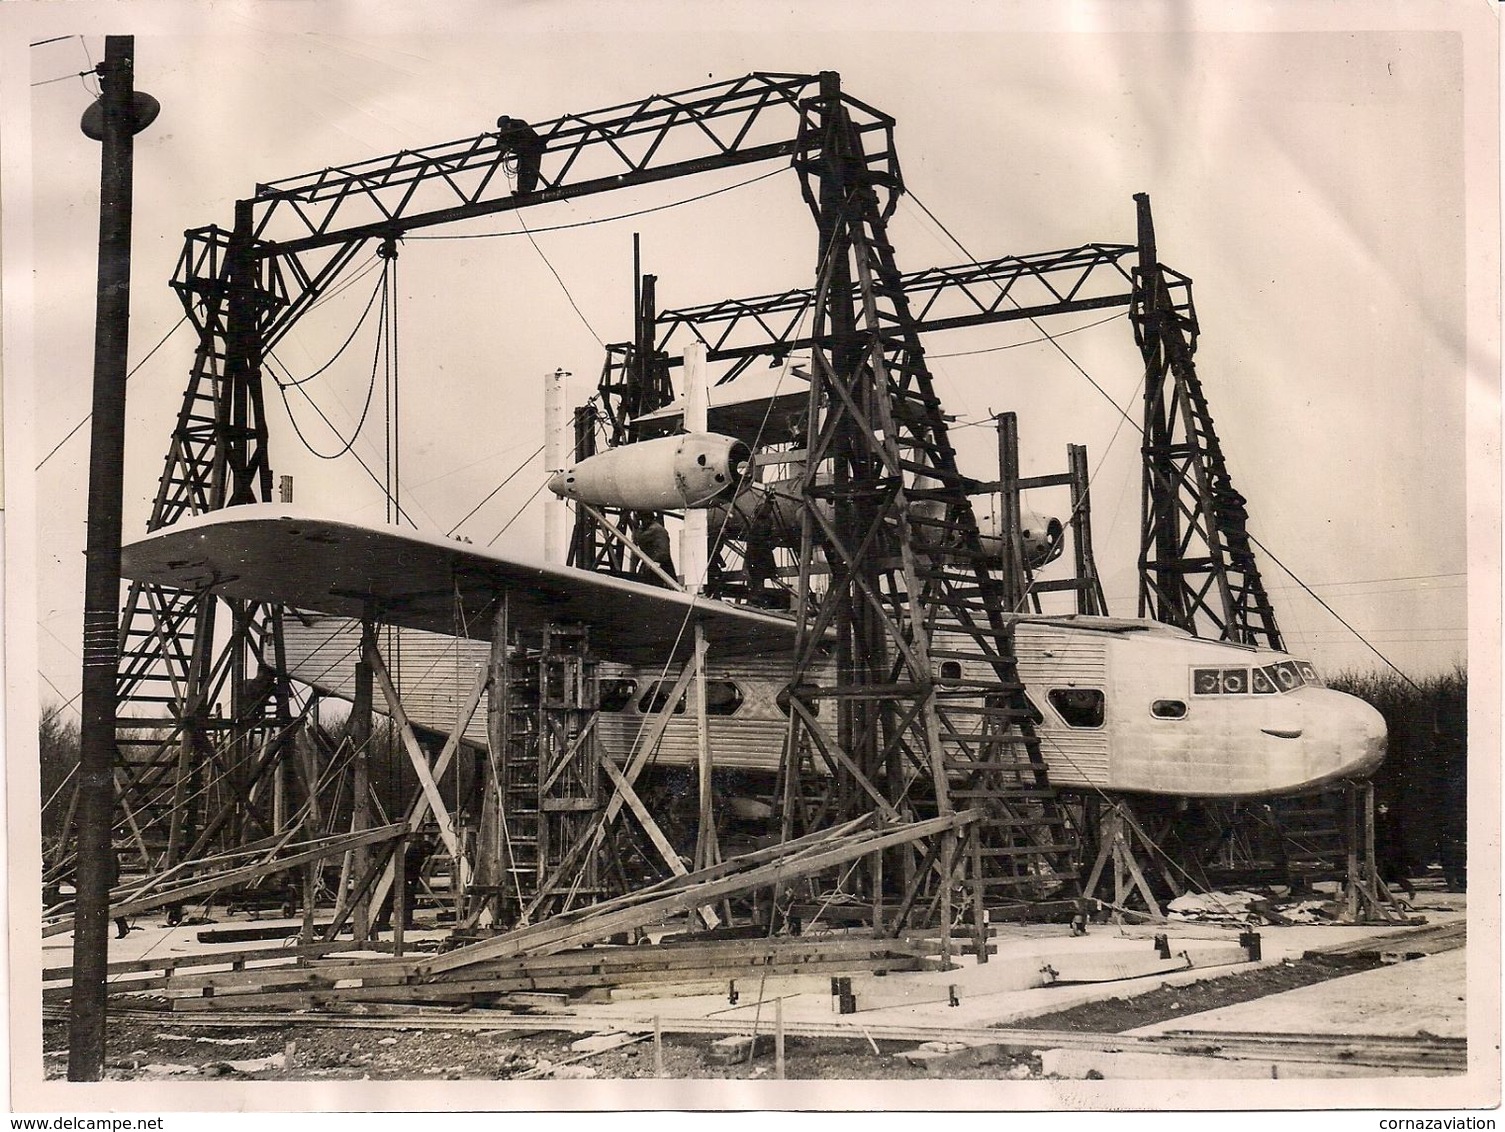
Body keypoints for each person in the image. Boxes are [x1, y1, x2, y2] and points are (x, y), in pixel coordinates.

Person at [495, 116, 544, 195]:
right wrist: (502, 145)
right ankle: (522, 189)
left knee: (531, 168)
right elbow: (500, 141)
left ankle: (527, 189)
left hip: (534, 148)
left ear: (509, 123)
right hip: (523, 151)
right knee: (521, 168)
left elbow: (529, 138)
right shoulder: (506, 128)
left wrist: (515, 145)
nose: (504, 129)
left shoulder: (519, 124)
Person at [633, 512, 676, 586]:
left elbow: (663, 551)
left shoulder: (656, 530)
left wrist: (657, 561)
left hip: (658, 566)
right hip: (651, 564)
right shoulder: (647, 530)